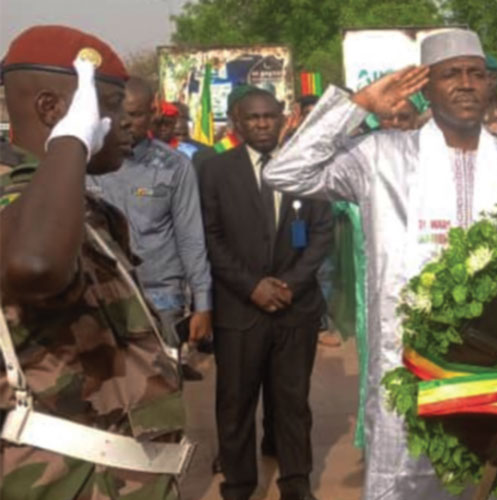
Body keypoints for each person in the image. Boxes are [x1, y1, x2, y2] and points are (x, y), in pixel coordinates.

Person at [264, 29, 497, 499]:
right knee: (404, 481)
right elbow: (285, 171)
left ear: (490, 85)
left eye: (476, 74)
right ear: (424, 88)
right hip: (406, 362)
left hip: (496, 366)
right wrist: (359, 104)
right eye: (451, 74)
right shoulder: (381, 157)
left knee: (494, 478)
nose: (466, 84)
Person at [0, 25, 188, 497]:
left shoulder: (79, 207)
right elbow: (35, 265)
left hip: (112, 471)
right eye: (108, 106)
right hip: (63, 480)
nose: (124, 122)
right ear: (53, 109)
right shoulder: (15, 200)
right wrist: (72, 140)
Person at [198, 86, 332, 500]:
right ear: (237, 123)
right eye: (252, 117)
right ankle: (239, 484)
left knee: (292, 401)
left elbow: (322, 232)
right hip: (240, 308)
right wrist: (251, 286)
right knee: (235, 402)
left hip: (296, 307)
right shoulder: (215, 170)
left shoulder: (305, 166)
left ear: (283, 118)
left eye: (269, 116)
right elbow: (210, 236)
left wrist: (292, 283)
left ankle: (296, 481)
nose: (261, 124)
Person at [86, 77, 213, 380]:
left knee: (162, 391)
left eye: (135, 114)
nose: (126, 122)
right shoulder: (85, 163)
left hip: (161, 298)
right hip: (100, 299)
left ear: (152, 113)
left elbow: (191, 237)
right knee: (109, 390)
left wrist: (203, 304)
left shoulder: (174, 166)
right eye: (119, 113)